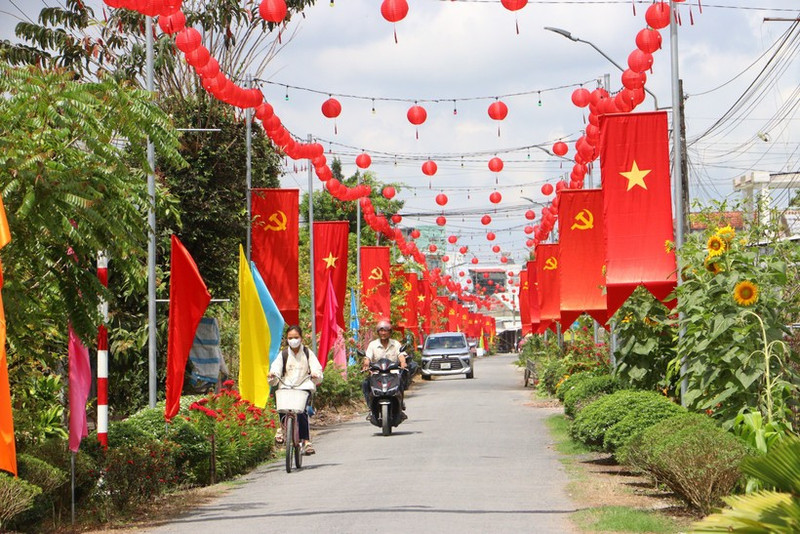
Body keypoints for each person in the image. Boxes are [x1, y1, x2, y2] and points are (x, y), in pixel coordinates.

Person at [268, 325, 323, 455]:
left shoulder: (308, 353)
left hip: (303, 386)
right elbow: (276, 368)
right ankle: (282, 428)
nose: (293, 340)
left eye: (296, 337)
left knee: (302, 412)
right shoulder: (284, 354)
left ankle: (306, 441)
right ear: (287, 339)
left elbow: (316, 368)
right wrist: (272, 374)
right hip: (286, 386)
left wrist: (315, 374)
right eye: (290, 338)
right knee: (282, 407)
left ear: (301, 338)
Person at [361, 319, 407, 421]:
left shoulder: (395, 344)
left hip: (393, 372)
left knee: (402, 381)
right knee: (365, 383)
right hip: (377, 373)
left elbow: (401, 355)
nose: (383, 333)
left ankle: (400, 404)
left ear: (390, 332)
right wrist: (366, 364)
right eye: (381, 331)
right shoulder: (372, 344)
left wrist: (403, 362)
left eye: (386, 331)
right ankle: (370, 408)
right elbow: (367, 357)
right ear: (378, 332)